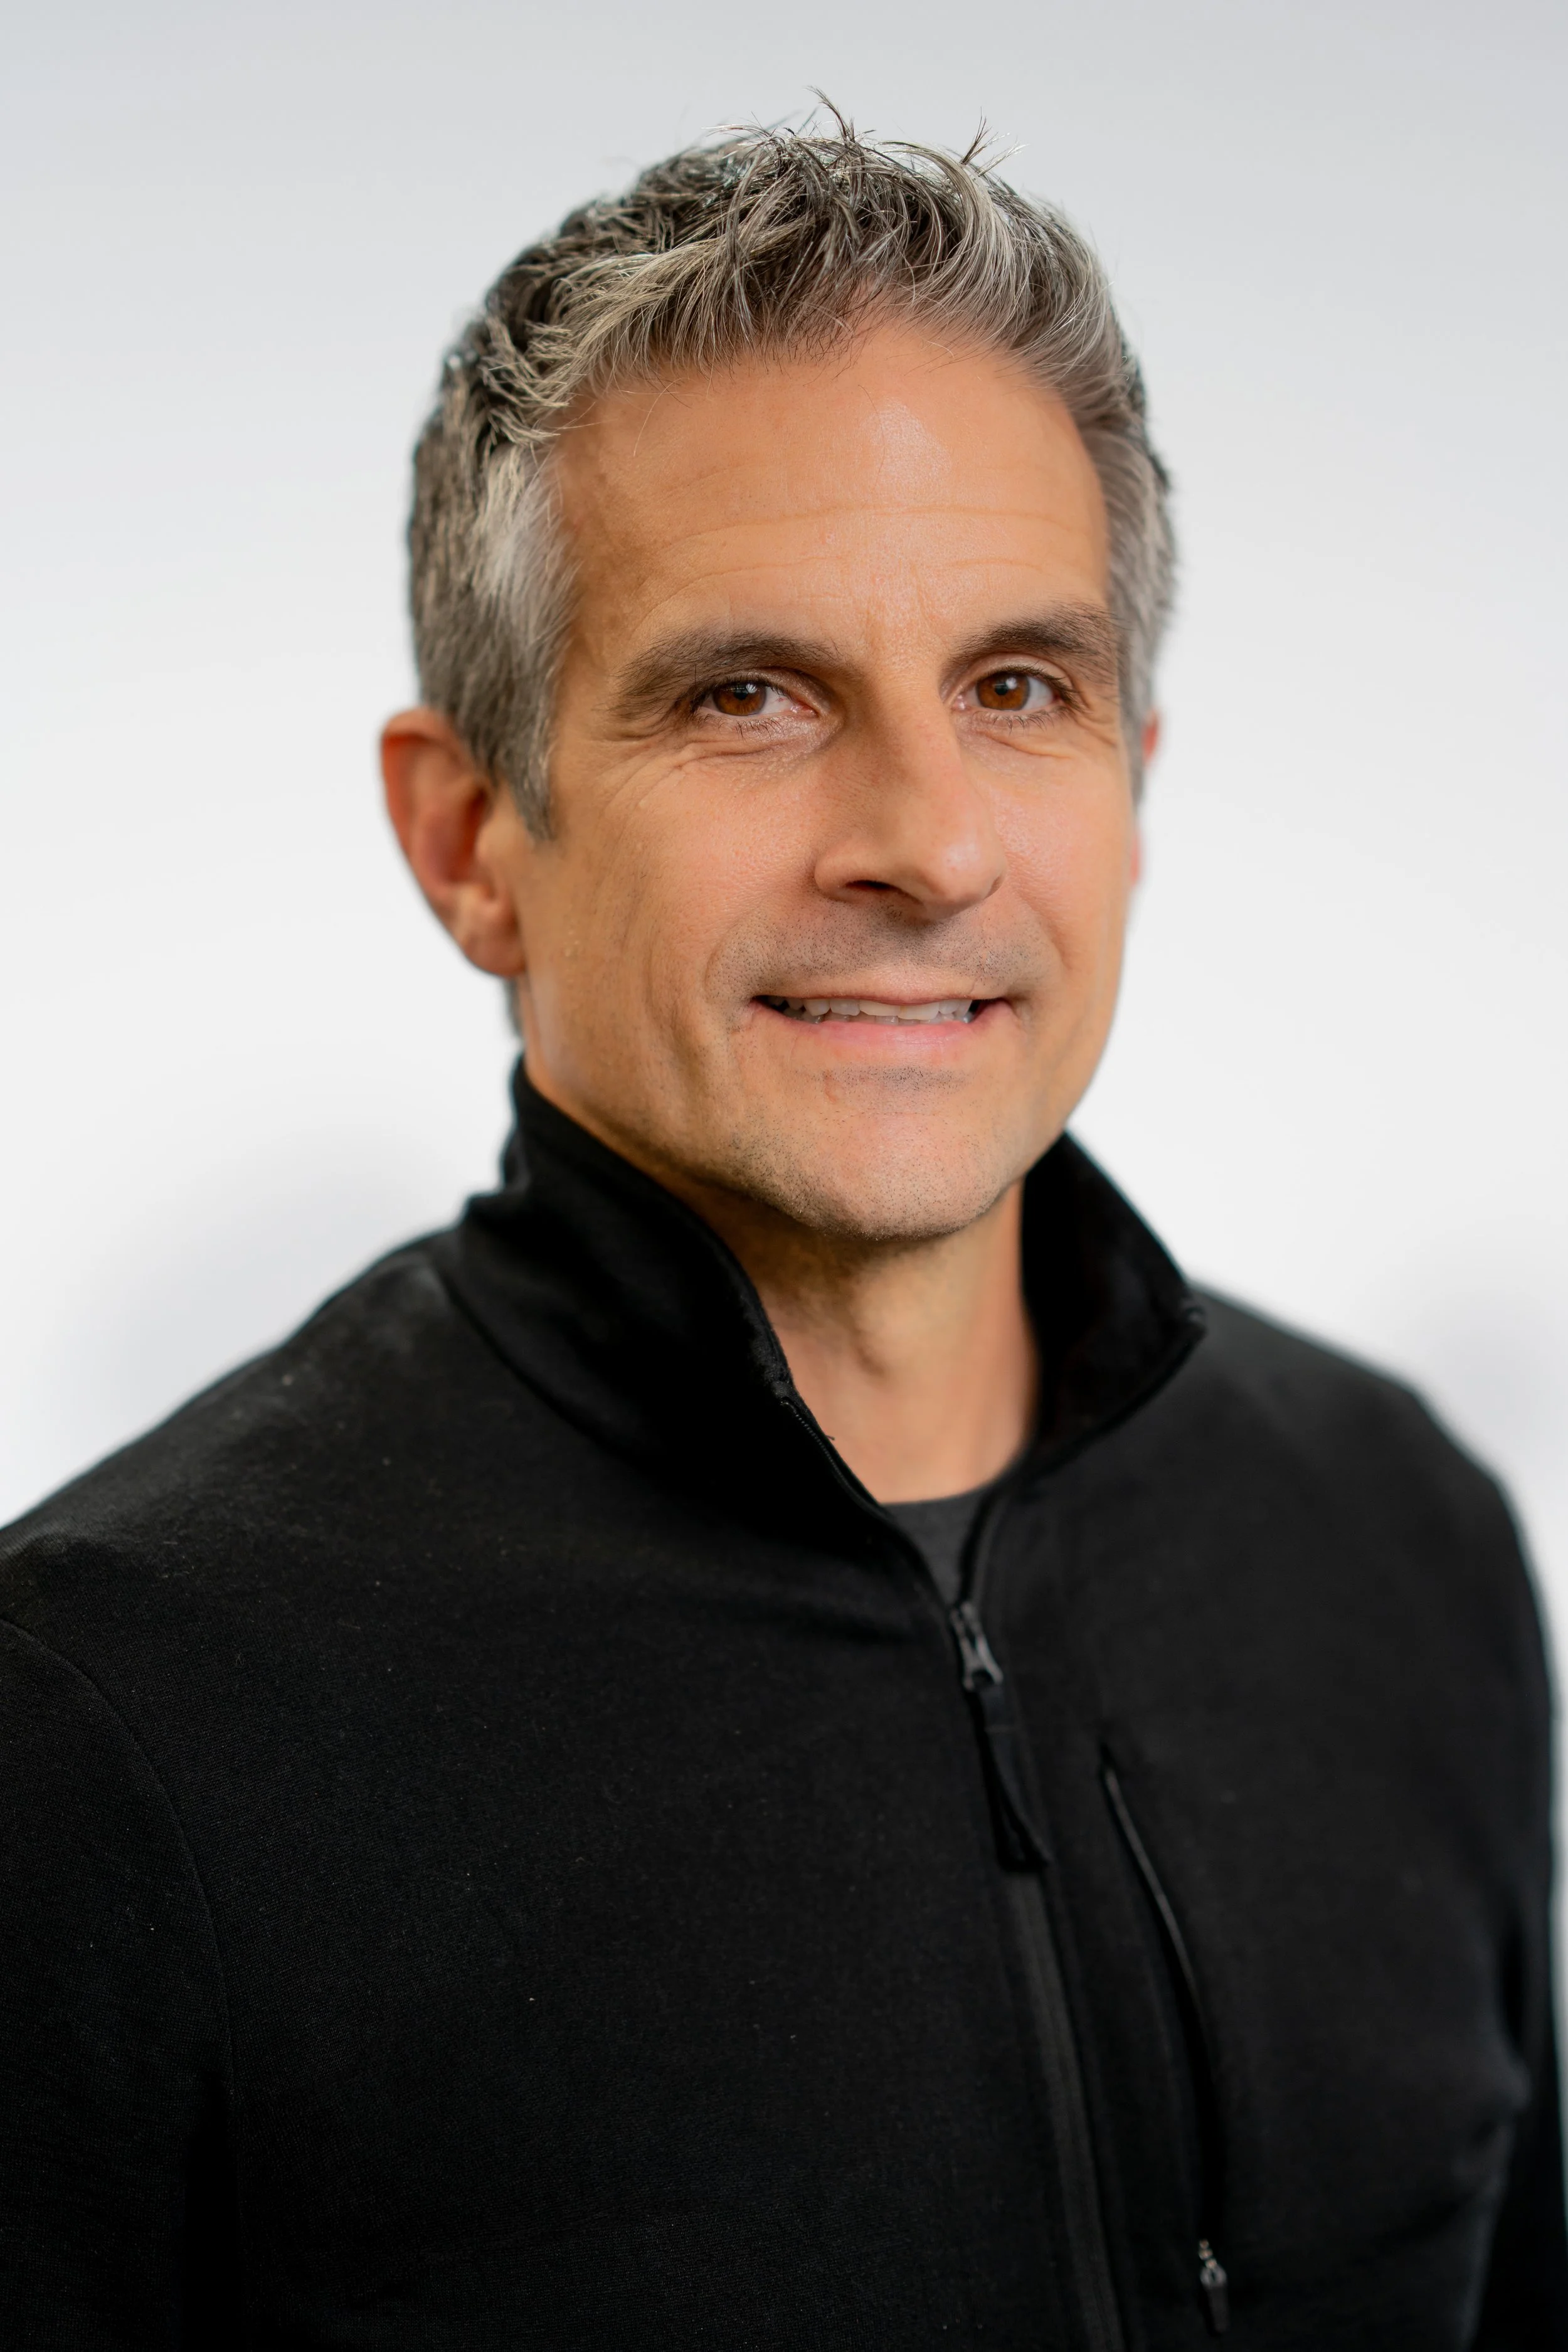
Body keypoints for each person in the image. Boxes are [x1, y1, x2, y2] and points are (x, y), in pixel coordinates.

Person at [0, 120, 1559, 2349]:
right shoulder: (99, 1729)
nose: (926, 843)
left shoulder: (1397, 1537)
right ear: (470, 840)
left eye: (1020, 688)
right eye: (749, 692)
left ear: (1134, 774)